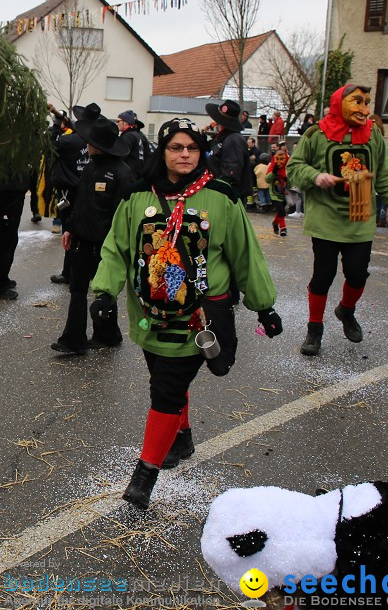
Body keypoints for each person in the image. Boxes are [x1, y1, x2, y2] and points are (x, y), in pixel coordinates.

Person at [91, 118, 281, 510]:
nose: (184, 155)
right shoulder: (136, 196)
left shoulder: (221, 196)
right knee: (162, 375)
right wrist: (104, 292)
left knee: (166, 390)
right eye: (176, 148)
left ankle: (145, 475)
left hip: (201, 316)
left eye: (192, 148)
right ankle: (183, 434)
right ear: (163, 151)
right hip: (151, 316)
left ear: (201, 152)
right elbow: (117, 249)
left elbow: (246, 254)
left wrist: (264, 305)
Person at [286, 84, 388, 356]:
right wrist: (315, 176)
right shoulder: (316, 133)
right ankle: (314, 329)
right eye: (357, 102)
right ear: (340, 103)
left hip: (360, 214)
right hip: (326, 216)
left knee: (357, 273)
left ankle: (346, 310)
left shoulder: (372, 133)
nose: (364, 109)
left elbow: (384, 170)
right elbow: (294, 167)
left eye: (367, 103)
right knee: (323, 276)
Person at [51, 114, 135, 355]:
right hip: (80, 241)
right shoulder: (90, 167)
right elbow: (81, 204)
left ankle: (108, 335)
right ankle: (73, 340)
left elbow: (123, 218)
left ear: (99, 145)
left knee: (104, 293)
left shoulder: (123, 174)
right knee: (77, 291)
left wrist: (116, 248)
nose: (85, 144)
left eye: (89, 141)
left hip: (105, 246)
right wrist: (70, 228)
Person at [49, 105, 88, 279]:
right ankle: (82, 270)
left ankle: (69, 273)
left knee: (69, 232)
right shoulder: (93, 140)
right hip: (87, 190)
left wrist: (56, 126)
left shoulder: (69, 141)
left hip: (69, 192)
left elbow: (50, 145)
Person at [0, 172, 30, 300]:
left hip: (14, 191)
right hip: (4, 191)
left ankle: (2, 278)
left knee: (10, 239)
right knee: (1, 240)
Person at [206, 100, 252, 203]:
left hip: (228, 198)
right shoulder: (223, 138)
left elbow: (230, 175)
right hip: (221, 194)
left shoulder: (233, 140)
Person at [116, 110, 153, 178]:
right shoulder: (140, 135)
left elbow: (121, 156)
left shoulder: (128, 136)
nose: (117, 123)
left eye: (118, 121)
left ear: (126, 122)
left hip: (130, 175)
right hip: (140, 174)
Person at [265, 148, 290, 236]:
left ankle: (275, 222)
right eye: (277, 159)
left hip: (284, 192)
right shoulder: (272, 166)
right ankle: (283, 228)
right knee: (281, 210)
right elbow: (267, 179)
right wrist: (274, 172)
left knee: (281, 210)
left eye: (282, 159)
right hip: (274, 192)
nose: (279, 161)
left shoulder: (288, 167)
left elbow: (292, 178)